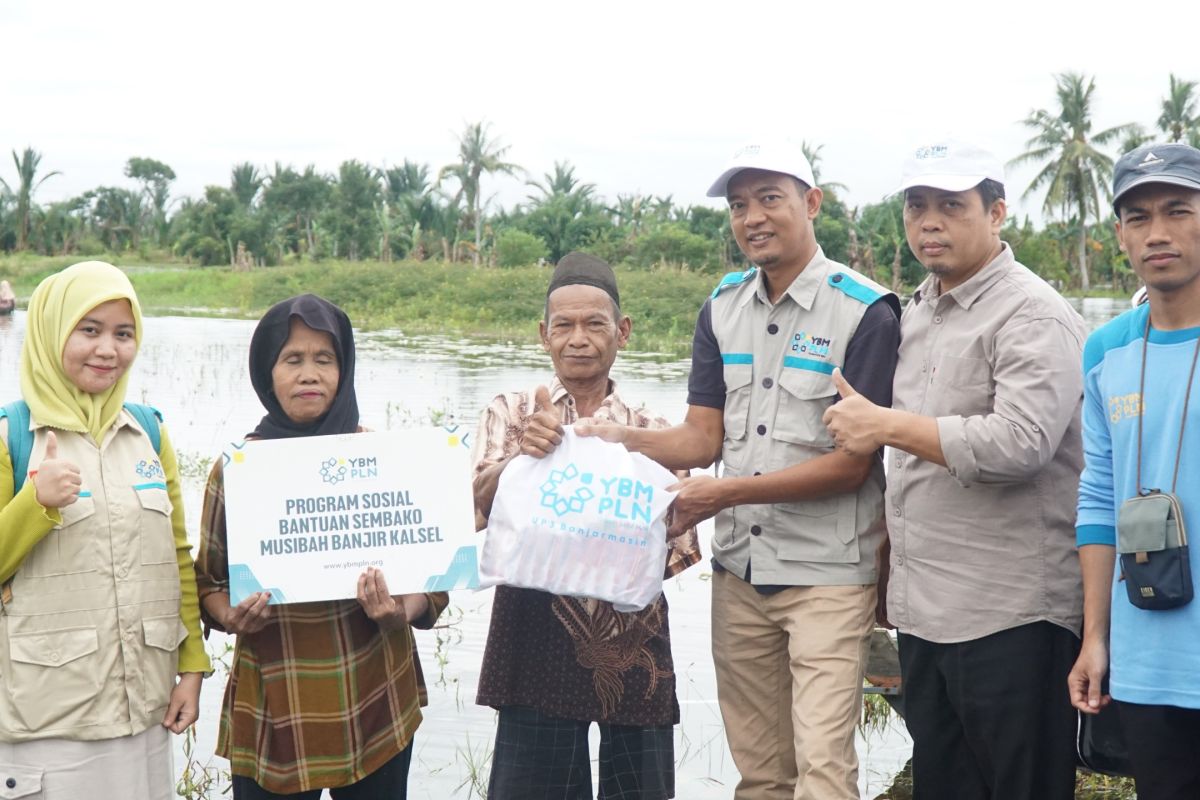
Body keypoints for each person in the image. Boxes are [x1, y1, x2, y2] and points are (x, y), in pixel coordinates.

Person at [579, 141, 901, 800]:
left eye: (769, 199)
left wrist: (722, 492)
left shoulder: (865, 311)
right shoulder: (722, 306)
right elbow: (701, 437)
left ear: (811, 204)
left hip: (828, 578)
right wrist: (617, 438)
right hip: (741, 574)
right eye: (738, 204)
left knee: (822, 769)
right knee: (760, 774)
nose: (752, 217)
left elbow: (851, 465)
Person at [823, 140, 1086, 799]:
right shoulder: (916, 311)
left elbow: (1019, 444)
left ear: (996, 213)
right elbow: (911, 477)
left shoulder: (1033, 313)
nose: (929, 222)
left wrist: (884, 424)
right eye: (917, 206)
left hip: (1012, 614)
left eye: (951, 205)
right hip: (926, 613)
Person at [194, 294, 447, 799]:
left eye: (323, 359)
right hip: (276, 699)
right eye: (292, 360)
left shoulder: (381, 459)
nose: (309, 374)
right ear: (267, 374)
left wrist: (401, 611)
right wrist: (229, 615)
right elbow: (208, 582)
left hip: (375, 691)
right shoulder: (240, 471)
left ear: (344, 368)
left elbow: (433, 574)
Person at [470, 252, 701, 800]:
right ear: (542, 335)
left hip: (631, 640)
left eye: (595, 324)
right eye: (563, 325)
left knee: (637, 789)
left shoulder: (653, 431)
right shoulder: (512, 411)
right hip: (531, 630)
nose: (578, 338)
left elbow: (677, 548)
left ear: (621, 332)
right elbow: (477, 505)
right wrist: (522, 458)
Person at [0, 261, 210, 798]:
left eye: (123, 333)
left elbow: (177, 556)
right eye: (88, 330)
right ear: (51, 333)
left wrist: (191, 667)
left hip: (144, 711)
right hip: (49, 722)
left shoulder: (149, 431)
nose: (107, 350)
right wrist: (35, 503)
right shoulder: (11, 436)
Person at [1070, 142, 1200, 799]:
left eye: (1178, 210)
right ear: (1119, 233)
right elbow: (1096, 498)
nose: (1158, 233)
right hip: (1149, 654)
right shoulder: (1106, 349)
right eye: (1139, 216)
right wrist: (1097, 638)